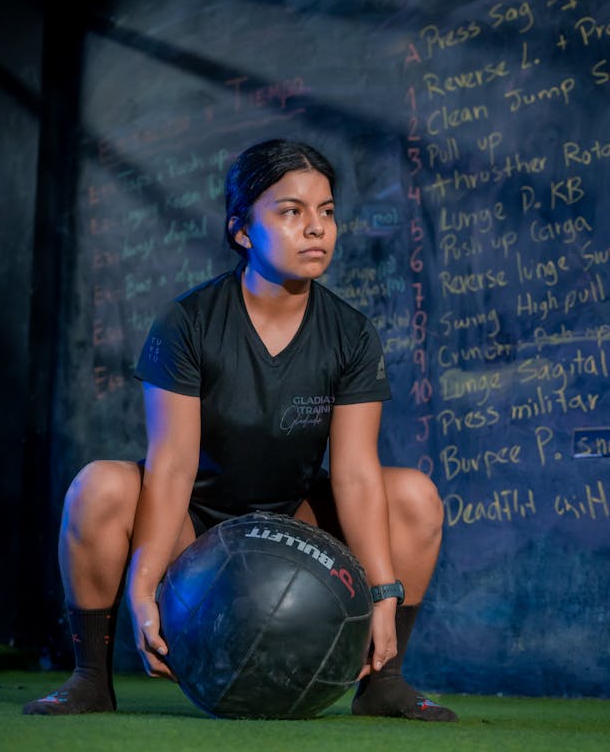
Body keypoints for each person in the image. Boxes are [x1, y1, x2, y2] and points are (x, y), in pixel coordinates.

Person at [23, 138, 456, 721]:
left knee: (415, 497)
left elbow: (354, 472)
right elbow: (172, 463)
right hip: (196, 525)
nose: (315, 228)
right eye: (290, 211)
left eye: (325, 211)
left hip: (294, 523)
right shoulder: (188, 323)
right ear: (243, 231)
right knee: (97, 486)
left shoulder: (351, 334)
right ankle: (90, 681)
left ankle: (384, 683)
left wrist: (382, 594)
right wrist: (142, 588)